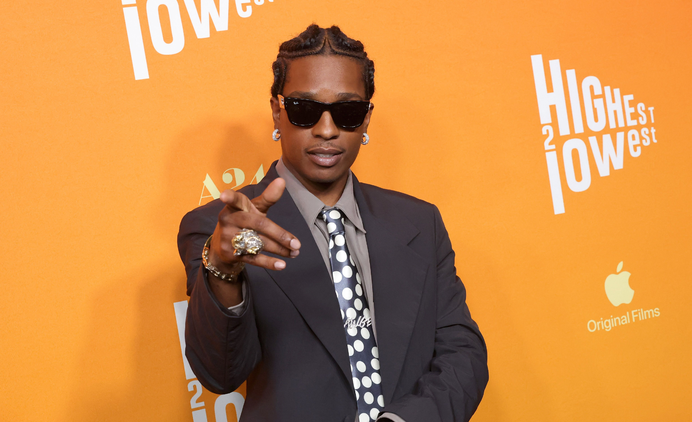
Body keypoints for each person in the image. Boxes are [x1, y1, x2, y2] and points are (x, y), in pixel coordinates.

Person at [178, 24, 488, 422]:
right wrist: (223, 270)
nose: (326, 130)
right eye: (304, 110)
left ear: (367, 118)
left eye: (347, 113)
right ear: (277, 111)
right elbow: (219, 375)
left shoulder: (419, 221)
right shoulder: (219, 229)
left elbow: (463, 354)